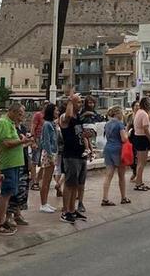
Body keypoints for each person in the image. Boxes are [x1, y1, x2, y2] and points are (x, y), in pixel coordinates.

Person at [0, 103, 34, 235]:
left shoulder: (11, 123)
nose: (22, 117)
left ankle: (3, 220)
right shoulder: (4, 123)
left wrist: (24, 142)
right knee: (6, 194)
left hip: (15, 163)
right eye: (20, 114)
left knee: (11, 192)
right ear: (13, 112)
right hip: (8, 164)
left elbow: (13, 144)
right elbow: (6, 143)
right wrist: (22, 141)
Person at [59, 94, 89, 223]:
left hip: (80, 154)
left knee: (76, 184)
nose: (80, 105)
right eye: (78, 103)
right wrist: (70, 100)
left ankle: (72, 209)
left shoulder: (78, 119)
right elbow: (68, 116)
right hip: (70, 155)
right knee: (69, 183)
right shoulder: (65, 118)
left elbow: (81, 135)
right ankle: (65, 211)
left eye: (81, 103)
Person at [101, 106, 130, 206]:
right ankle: (123, 197)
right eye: (121, 113)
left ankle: (105, 198)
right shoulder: (119, 124)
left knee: (108, 175)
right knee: (121, 175)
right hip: (118, 150)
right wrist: (127, 133)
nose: (122, 115)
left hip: (108, 149)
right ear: (118, 114)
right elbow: (124, 139)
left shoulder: (107, 124)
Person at [38, 103, 59, 213]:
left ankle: (45, 202)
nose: (57, 112)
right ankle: (43, 203)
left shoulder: (51, 124)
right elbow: (46, 141)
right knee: (45, 180)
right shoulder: (47, 125)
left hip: (52, 152)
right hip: (49, 153)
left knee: (49, 179)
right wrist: (51, 155)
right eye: (56, 110)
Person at [131, 97, 150, 191]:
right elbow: (145, 128)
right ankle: (138, 183)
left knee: (140, 162)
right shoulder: (144, 114)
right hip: (143, 138)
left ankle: (139, 181)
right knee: (142, 163)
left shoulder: (138, 112)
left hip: (137, 137)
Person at [29, 104, 45, 191]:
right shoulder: (38, 115)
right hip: (38, 139)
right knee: (35, 160)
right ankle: (34, 180)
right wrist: (33, 140)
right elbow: (33, 127)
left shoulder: (48, 117)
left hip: (44, 140)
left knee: (43, 161)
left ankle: (37, 180)